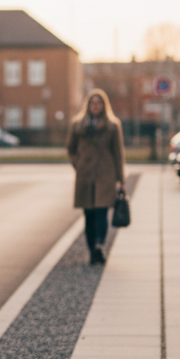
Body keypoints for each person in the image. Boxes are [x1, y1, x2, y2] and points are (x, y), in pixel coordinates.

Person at [67, 88, 126, 265]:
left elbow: (118, 153)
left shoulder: (112, 126)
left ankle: (100, 245)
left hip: (105, 174)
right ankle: (92, 249)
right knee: (89, 214)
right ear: (88, 105)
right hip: (85, 175)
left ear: (104, 105)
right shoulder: (78, 125)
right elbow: (70, 149)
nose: (95, 106)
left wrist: (121, 180)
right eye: (93, 103)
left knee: (102, 211)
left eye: (99, 103)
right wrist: (78, 164)